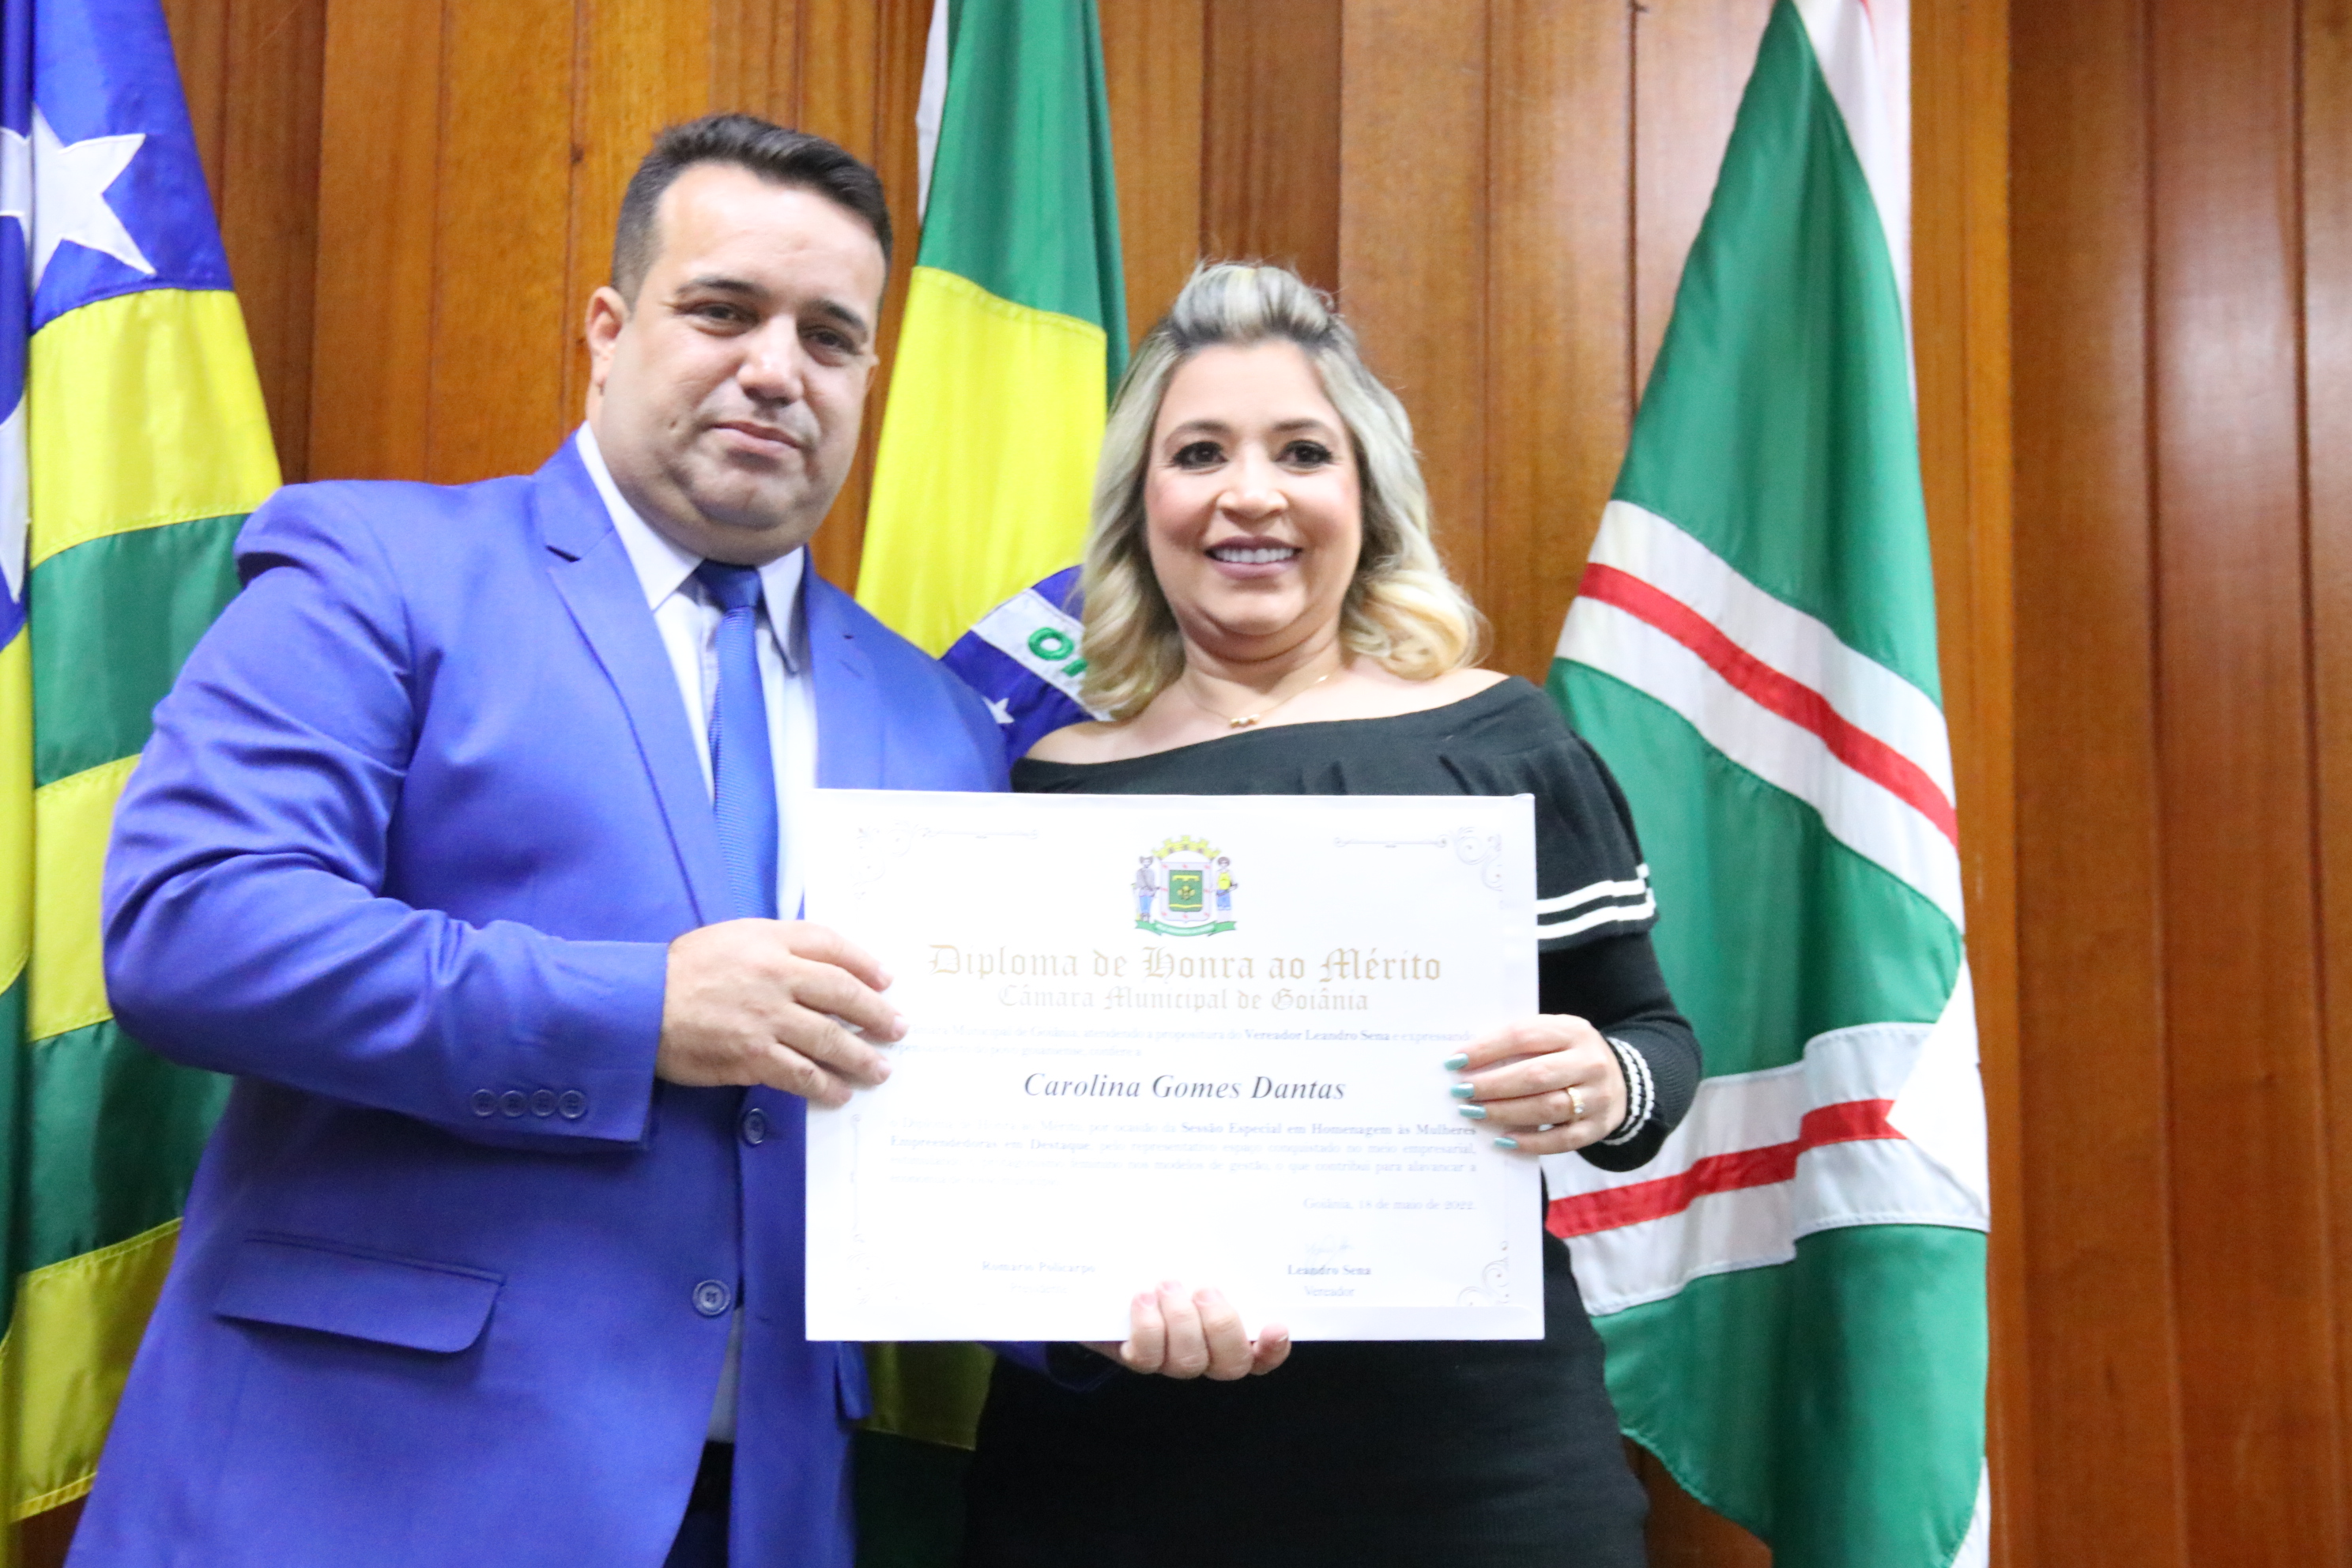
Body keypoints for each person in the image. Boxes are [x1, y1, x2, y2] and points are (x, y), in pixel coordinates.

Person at [74, 115, 1236, 1568]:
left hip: (766, 1512)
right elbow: (194, 931)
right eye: (723, 311)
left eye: (829, 337)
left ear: (868, 380)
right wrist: (642, 1011)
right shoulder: (379, 567)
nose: (777, 368)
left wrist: (1099, 1293)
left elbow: (949, 1113)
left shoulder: (937, 719)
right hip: (362, 1488)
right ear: (609, 333)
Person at [959, 262, 1702, 1567]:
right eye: (1200, 453)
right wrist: (1047, 1290)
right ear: (1140, 504)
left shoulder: (1500, 742)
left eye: (1302, 451)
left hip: (1475, 1483)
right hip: (1112, 1479)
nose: (1251, 492)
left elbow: (1652, 1039)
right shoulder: (1037, 784)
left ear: (1366, 496)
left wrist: (1605, 1083)